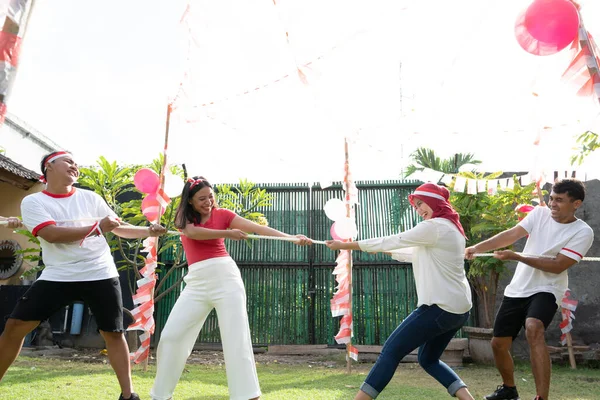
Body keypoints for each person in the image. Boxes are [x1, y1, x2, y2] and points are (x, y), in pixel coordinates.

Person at [0, 151, 167, 400]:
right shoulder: (34, 202)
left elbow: (117, 228)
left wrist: (148, 230)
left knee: (114, 333)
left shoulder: (91, 197)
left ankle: (128, 395)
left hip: (99, 272)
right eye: (68, 161)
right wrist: (97, 227)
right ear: (49, 167)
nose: (74, 165)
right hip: (58, 275)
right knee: (14, 327)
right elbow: (52, 234)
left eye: (76, 163)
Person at [150, 176, 312, 400]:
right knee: (171, 337)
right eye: (202, 198)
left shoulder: (223, 214)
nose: (208, 202)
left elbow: (258, 229)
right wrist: (228, 233)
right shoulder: (184, 218)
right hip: (196, 282)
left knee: (236, 338)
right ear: (189, 201)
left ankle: (247, 395)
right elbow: (192, 233)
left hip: (226, 278)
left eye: (211, 196)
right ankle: (160, 395)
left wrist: (291, 238)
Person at [326, 182, 474, 400]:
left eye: (421, 203)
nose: (419, 210)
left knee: (391, 351)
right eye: (416, 206)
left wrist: (349, 245)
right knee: (428, 359)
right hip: (459, 310)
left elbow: (395, 239)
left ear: (435, 201)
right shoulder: (451, 228)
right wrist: (383, 249)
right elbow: (413, 253)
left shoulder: (433, 227)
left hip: (440, 307)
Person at [465, 178, 594, 400]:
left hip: (548, 287)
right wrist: (477, 247)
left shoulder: (583, 232)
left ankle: (541, 397)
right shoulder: (539, 213)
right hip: (518, 288)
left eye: (560, 200)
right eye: (552, 198)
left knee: (533, 327)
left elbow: (558, 266)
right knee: (498, 344)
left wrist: (517, 256)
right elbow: (512, 234)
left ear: (576, 204)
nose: (552, 204)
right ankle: (509, 389)